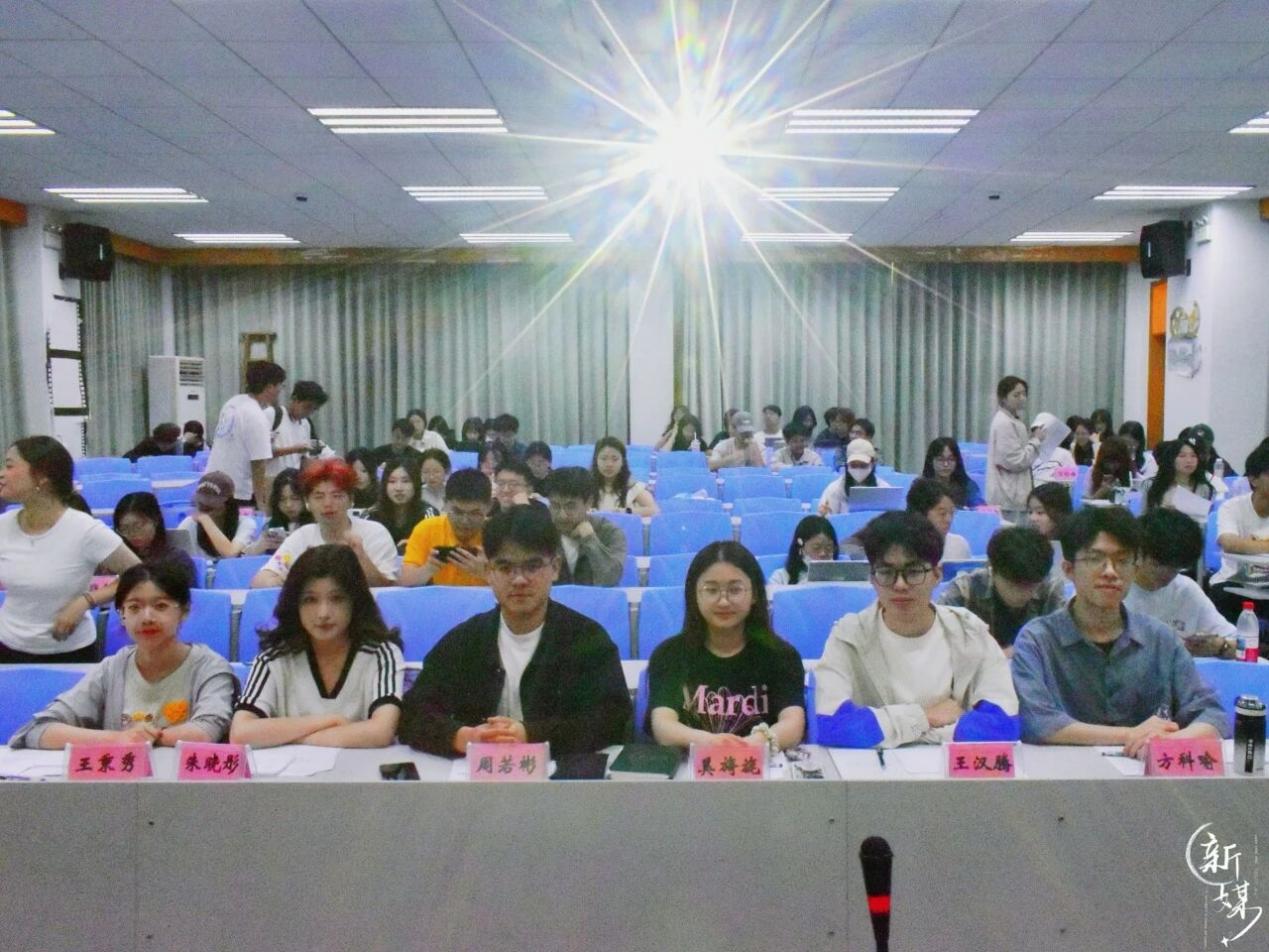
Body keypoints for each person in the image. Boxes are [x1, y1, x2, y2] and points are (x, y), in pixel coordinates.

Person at [398, 505, 632, 757]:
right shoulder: (465, 640)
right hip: (477, 773)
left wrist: (531, 734)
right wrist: (461, 737)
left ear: (555, 567)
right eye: (505, 568)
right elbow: (413, 713)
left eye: (532, 566)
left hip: (557, 775)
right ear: (489, 572)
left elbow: (612, 718)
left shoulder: (587, 639)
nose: (519, 580)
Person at [1011, 506, 1227, 753]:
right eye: (1095, 559)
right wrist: (1131, 735)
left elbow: (1212, 715)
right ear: (1069, 570)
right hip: (1063, 774)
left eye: (1123, 561)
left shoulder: (1160, 639)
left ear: (1135, 570)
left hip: (1147, 772)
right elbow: (1039, 722)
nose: (1110, 572)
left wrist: (1167, 743)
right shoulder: (1037, 640)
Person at [814, 512, 1018, 748]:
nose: (900, 585)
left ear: (937, 575)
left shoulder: (970, 632)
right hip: (875, 769)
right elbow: (833, 726)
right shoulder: (848, 636)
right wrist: (925, 718)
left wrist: (890, 730)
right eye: (886, 572)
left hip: (950, 769)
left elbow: (1004, 723)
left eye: (913, 572)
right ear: (872, 578)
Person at [8, 561, 234, 748]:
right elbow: (39, 730)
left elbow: (208, 730)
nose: (147, 618)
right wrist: (117, 739)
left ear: (184, 611)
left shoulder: (210, 667)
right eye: (134, 607)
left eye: (160, 606)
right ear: (122, 615)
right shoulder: (112, 668)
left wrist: (141, 739)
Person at [232, 545, 404, 749]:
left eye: (337, 599)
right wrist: (329, 721)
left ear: (355, 602)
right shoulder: (274, 657)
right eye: (310, 600)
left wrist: (294, 738)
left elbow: (381, 732)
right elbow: (240, 733)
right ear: (295, 604)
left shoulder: (381, 653)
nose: (323, 613)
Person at [648, 541, 805, 750]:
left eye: (735, 590)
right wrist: (711, 742)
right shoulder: (670, 655)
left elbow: (793, 723)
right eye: (711, 590)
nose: (723, 601)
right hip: (692, 766)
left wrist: (752, 744)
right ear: (695, 595)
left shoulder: (781, 656)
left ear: (754, 594)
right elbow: (663, 725)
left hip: (760, 764)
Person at [0, 437, 140, 662]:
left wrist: (86, 601)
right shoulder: (4, 525)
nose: (2, 474)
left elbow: (139, 574)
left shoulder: (84, 529)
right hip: (8, 647)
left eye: (9, 466)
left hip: (72, 650)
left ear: (42, 476)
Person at [250, 460, 397, 588]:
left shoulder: (375, 533)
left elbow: (387, 586)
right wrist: (288, 583)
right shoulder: (301, 537)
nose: (328, 503)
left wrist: (360, 556)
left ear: (351, 500)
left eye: (337, 496)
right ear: (307, 502)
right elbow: (260, 580)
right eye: (319, 497)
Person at [936, 526, 1065, 656]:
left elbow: (1059, 648)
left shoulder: (1050, 590)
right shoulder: (964, 591)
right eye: (1013, 585)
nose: (1022, 594)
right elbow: (938, 646)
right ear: (992, 568)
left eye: (1031, 586)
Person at [1127, 508, 1237, 657]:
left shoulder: (1185, 590)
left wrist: (1220, 646)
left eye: (1175, 568)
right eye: (1157, 565)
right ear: (1137, 553)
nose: (1166, 574)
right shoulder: (1116, 591)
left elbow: (1240, 644)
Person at [206, 359, 285, 512]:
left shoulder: (232, 403)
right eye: (280, 385)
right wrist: (261, 502)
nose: (280, 390)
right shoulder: (257, 416)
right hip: (236, 492)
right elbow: (258, 464)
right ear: (270, 387)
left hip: (211, 484)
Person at [400, 469, 492, 587]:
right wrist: (428, 569)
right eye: (457, 512)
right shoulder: (427, 529)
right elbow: (404, 581)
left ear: (489, 506)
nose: (465, 521)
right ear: (445, 503)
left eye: (474, 513)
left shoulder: (499, 534)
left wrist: (484, 574)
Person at [1210, 441, 1269, 623]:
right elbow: (1229, 543)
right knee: (1221, 597)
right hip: (1234, 582)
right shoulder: (1232, 507)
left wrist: (1251, 546)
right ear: (1253, 479)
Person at [543, 467, 626, 586]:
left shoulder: (610, 533)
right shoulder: (542, 532)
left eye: (570, 506)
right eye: (555, 506)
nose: (562, 515)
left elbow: (610, 579)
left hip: (595, 598)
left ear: (589, 503)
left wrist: (590, 539)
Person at [986, 375, 1043, 520]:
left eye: (1024, 394)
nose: (1022, 398)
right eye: (1016, 395)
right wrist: (1036, 441)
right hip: (1008, 496)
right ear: (1003, 398)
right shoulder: (1004, 423)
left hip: (1012, 494)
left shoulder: (1013, 420)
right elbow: (1016, 461)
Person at [112, 492, 196, 584]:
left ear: (155, 520)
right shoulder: (117, 559)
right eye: (124, 528)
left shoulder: (177, 559)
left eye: (138, 526)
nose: (132, 533)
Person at [177, 472, 258, 558]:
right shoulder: (189, 524)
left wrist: (206, 520)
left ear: (228, 504)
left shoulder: (246, 524)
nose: (205, 507)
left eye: (212, 503)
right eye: (202, 503)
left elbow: (230, 553)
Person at [1142, 436, 1226, 512]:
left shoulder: (1203, 488)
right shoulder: (1152, 486)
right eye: (1182, 456)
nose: (1189, 460)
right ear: (1171, 459)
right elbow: (1144, 516)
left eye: (1193, 456)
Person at [366, 456, 431, 549]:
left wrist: (416, 545)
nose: (399, 488)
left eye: (405, 481)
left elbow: (435, 547)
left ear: (416, 484)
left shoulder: (427, 513)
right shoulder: (372, 514)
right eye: (392, 481)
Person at [267, 380, 328, 477]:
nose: (309, 412)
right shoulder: (272, 415)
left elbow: (304, 459)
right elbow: (260, 452)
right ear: (295, 399)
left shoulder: (305, 424)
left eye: (314, 409)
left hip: (292, 481)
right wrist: (294, 449)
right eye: (307, 407)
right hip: (269, 478)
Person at [905, 478, 972, 562]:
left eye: (952, 513)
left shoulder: (958, 545)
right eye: (942, 514)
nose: (949, 520)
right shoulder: (903, 547)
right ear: (920, 514)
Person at [817, 439, 889, 515]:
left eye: (863, 465)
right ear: (847, 465)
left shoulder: (884, 490)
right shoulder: (834, 490)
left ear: (872, 464)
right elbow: (825, 518)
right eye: (853, 465)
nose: (858, 469)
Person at [249, 467, 311, 554]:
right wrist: (259, 547)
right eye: (282, 499)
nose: (288, 505)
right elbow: (244, 555)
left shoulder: (317, 525)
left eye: (295, 498)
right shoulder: (272, 525)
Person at [591, 437, 658, 515]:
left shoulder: (632, 486)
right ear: (596, 460)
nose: (609, 464)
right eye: (604, 458)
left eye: (615, 459)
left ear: (622, 462)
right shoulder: (587, 486)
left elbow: (654, 510)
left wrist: (626, 512)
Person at [768, 515, 838, 585]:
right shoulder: (780, 578)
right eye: (816, 547)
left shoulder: (840, 578)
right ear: (801, 547)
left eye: (828, 547)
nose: (823, 553)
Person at [1027, 482, 1072, 584]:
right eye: (1030, 512)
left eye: (1040, 513)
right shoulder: (1031, 543)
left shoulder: (1073, 546)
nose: (1032, 518)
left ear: (1060, 513)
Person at [921, 437, 984, 508]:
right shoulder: (921, 487)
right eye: (940, 459)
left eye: (951, 459)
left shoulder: (967, 486)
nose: (946, 464)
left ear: (957, 461)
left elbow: (979, 509)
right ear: (931, 461)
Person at [1084, 436, 1134, 502]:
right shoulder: (1092, 472)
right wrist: (1099, 494)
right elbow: (1084, 500)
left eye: (1116, 462)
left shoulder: (1128, 472)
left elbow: (1136, 497)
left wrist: (1118, 493)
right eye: (1108, 462)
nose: (1111, 466)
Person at [418, 448, 449, 513]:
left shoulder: (453, 492)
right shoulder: (418, 494)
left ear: (446, 471)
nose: (431, 477)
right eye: (426, 472)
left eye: (436, 471)